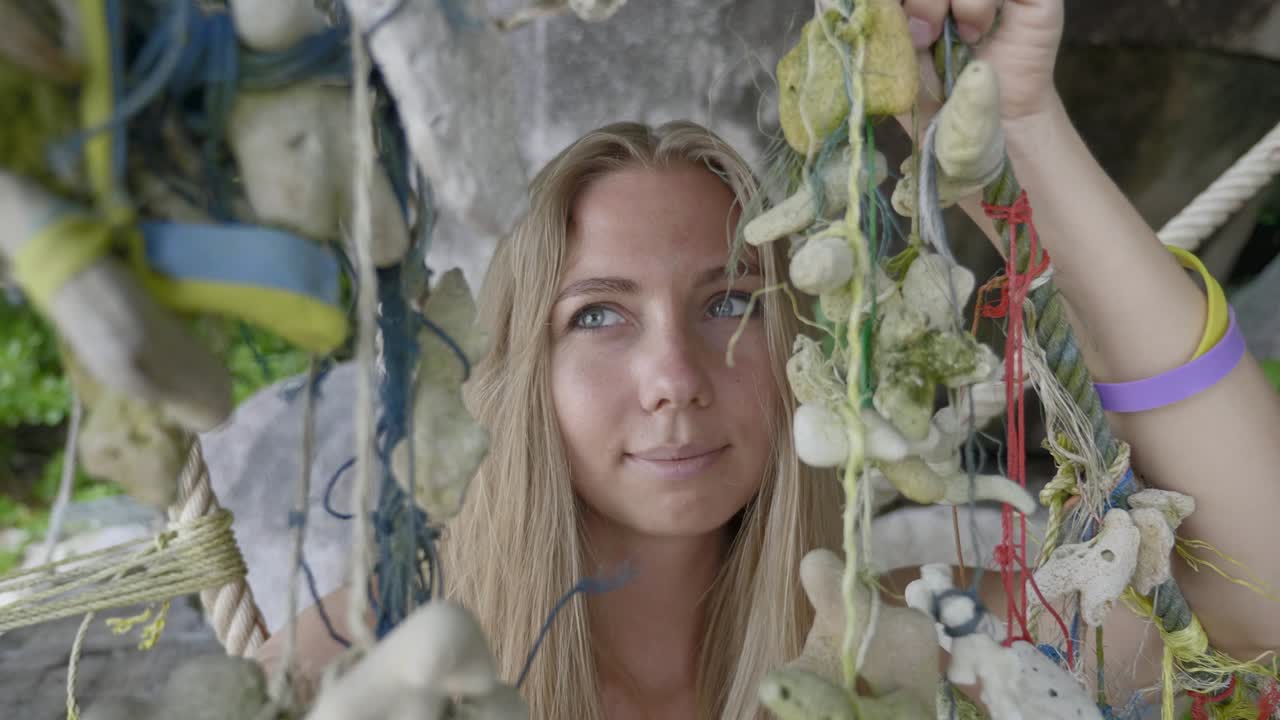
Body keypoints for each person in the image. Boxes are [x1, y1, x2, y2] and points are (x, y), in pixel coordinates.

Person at [256, 0, 1280, 717]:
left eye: (729, 302)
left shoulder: (906, 630)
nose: (674, 376)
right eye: (599, 318)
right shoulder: (368, 656)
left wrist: (1017, 125)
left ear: (802, 351)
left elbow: (1258, 602)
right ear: (520, 366)